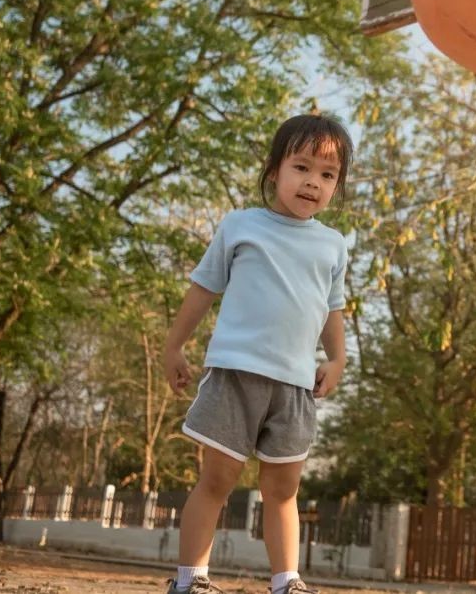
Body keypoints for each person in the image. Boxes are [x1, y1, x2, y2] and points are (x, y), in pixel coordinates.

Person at [161, 113, 354, 594]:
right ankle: (191, 580)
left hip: (295, 387)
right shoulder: (241, 225)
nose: (313, 182)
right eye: (301, 167)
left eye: (327, 174)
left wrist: (337, 359)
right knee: (217, 480)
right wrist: (174, 345)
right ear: (274, 172)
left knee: (283, 490)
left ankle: (287, 582)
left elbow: (332, 309)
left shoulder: (333, 245)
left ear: (336, 186)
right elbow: (203, 288)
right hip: (235, 374)